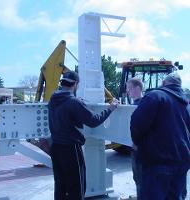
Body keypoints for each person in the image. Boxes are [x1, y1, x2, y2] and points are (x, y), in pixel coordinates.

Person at [48, 70, 119, 200]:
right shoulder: (73, 102)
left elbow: (66, 113)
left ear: (63, 82)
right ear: (75, 84)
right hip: (70, 149)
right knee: (76, 187)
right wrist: (110, 108)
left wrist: (76, 102)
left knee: (60, 184)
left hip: (56, 147)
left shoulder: (53, 99)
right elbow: (93, 121)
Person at [130, 72, 190, 200]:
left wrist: (136, 143)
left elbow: (137, 124)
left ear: (163, 83)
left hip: (157, 162)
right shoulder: (186, 104)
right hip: (182, 161)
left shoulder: (154, 96)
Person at [126, 77, 143, 200]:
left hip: (140, 149)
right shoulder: (133, 105)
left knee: (141, 177)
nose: (127, 91)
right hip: (135, 148)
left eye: (129, 88)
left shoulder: (143, 105)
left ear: (137, 88)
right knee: (137, 177)